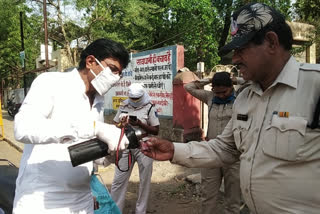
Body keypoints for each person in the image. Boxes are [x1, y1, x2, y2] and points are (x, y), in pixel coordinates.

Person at [140, 3, 320, 214]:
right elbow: (225, 149)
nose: (235, 58)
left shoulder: (315, 87)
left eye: (241, 49)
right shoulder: (245, 98)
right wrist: (173, 150)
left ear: (271, 42)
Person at [13, 38, 130, 214]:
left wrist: (110, 153)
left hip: (82, 202)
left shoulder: (98, 101)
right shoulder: (51, 82)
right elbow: (23, 128)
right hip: (41, 202)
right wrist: (93, 128)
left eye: (118, 74)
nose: (115, 78)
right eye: (112, 69)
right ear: (91, 61)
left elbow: (89, 153)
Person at [184, 71, 241, 214]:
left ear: (231, 87)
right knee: (208, 195)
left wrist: (235, 80)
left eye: (224, 91)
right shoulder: (210, 97)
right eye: (217, 92)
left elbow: (253, 82)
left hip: (234, 154)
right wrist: (208, 80)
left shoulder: (241, 97)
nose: (221, 95)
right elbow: (189, 87)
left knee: (234, 197)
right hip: (212, 152)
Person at [110, 83, 160, 214]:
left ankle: (140, 211)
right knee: (118, 181)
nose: (135, 101)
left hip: (144, 146)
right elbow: (115, 124)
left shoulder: (149, 107)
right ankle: (115, 210)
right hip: (126, 145)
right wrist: (122, 123)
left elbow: (155, 130)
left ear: (143, 95)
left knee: (145, 182)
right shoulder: (124, 105)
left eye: (138, 99)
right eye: (133, 99)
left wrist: (139, 123)